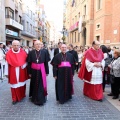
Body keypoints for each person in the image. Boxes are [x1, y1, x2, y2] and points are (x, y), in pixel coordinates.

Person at [5, 40, 28, 105]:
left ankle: (22, 96)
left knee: (21, 84)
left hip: (21, 70)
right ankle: (14, 98)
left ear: (19, 45)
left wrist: (23, 65)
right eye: (14, 45)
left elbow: (26, 61)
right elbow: (7, 64)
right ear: (12, 46)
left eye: (17, 45)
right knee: (14, 85)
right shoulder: (8, 53)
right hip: (12, 71)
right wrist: (6, 73)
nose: (16, 46)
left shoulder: (23, 52)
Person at [27, 40, 49, 106]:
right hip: (33, 71)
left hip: (42, 70)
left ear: (41, 45)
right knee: (34, 83)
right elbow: (29, 63)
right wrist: (29, 72)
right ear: (34, 45)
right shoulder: (31, 52)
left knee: (41, 84)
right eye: (37, 44)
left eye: (39, 44)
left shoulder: (44, 52)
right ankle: (34, 97)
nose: (38, 45)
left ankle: (40, 99)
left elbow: (46, 63)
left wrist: (47, 72)